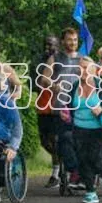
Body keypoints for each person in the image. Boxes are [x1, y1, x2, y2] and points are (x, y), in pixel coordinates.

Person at [70, 57, 102, 203]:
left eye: (85, 67)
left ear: (93, 70)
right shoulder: (74, 86)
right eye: (80, 68)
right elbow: (69, 106)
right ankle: (90, 192)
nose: (82, 71)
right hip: (79, 128)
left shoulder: (101, 85)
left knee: (96, 159)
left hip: (99, 128)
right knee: (83, 160)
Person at [40, 28, 82, 189]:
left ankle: (80, 173)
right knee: (61, 140)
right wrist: (53, 85)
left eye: (75, 40)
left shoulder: (83, 58)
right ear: (63, 41)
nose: (73, 43)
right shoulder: (55, 58)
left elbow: (94, 78)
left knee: (79, 140)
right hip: (61, 107)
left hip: (80, 107)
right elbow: (44, 79)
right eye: (70, 39)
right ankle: (71, 171)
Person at [33, 36, 61, 187]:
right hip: (43, 103)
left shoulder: (60, 61)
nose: (47, 47)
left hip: (57, 104)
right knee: (44, 141)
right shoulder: (40, 61)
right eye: (45, 44)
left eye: (50, 45)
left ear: (57, 45)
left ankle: (56, 173)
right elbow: (36, 81)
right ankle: (63, 160)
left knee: (56, 139)